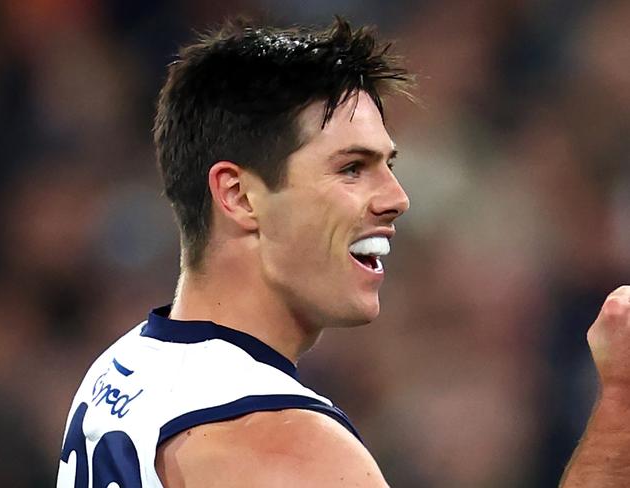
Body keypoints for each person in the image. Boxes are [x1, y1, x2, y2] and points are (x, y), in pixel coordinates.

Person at [56, 17, 630, 487]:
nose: (397, 199)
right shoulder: (286, 444)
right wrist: (621, 406)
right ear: (238, 195)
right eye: (352, 168)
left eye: (389, 165)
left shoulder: (123, 368)